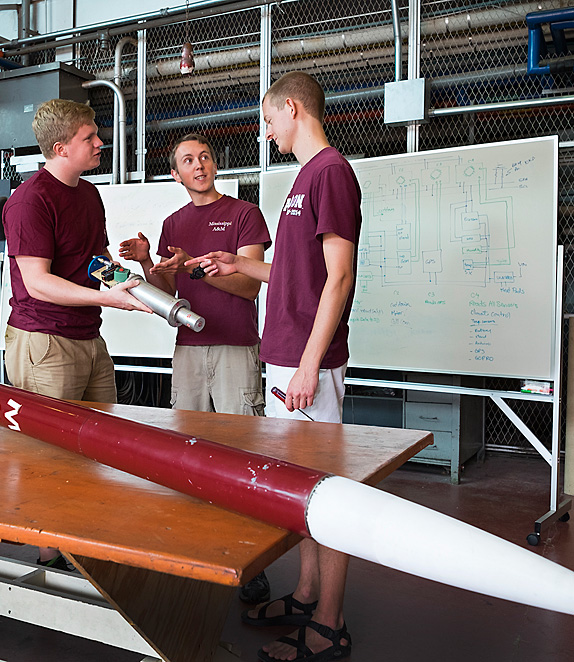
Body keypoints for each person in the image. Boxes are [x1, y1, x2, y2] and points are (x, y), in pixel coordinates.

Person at [187, 72, 362, 662]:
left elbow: (339, 277)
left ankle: (331, 623)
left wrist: (311, 362)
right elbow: (289, 273)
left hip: (306, 361)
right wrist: (233, 262)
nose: (265, 131)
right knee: (302, 490)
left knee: (327, 495)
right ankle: (308, 595)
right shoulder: (302, 178)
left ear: (291, 108)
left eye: (267, 119)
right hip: (285, 355)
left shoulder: (331, 172)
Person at [2, 98, 151, 570]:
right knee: (51, 453)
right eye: (90, 137)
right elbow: (38, 282)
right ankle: (52, 553)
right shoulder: (30, 200)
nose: (100, 142)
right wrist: (108, 298)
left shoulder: (88, 195)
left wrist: (126, 280)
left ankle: (83, 538)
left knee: (100, 440)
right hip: (45, 342)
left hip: (87, 336)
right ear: (62, 147)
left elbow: (93, 260)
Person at [118, 133, 271, 417]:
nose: (199, 166)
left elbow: (250, 287)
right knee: (189, 438)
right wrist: (145, 260)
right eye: (188, 161)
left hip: (235, 346)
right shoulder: (173, 223)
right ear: (176, 174)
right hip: (188, 347)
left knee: (241, 440)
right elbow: (167, 296)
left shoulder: (245, 214)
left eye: (204, 158)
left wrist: (191, 266)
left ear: (215, 166)